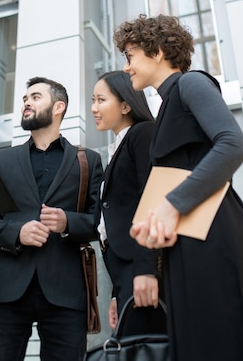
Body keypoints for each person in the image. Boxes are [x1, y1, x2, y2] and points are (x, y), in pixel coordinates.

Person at [113, 13, 243, 361]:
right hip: (190, 238)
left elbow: (232, 144)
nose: (127, 67)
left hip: (215, 234)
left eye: (131, 55)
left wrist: (171, 206)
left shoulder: (190, 84)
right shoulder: (166, 107)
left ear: (158, 51)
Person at [0, 76, 103, 361]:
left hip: (66, 290)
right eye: (24, 99)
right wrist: (17, 234)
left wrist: (66, 222)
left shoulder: (89, 160)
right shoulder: (3, 161)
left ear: (59, 107)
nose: (26, 103)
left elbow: (96, 222)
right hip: (7, 287)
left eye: (35, 97)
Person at [92, 71, 165, 333]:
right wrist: (115, 292)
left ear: (125, 105)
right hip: (124, 269)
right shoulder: (117, 146)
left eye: (101, 100)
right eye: (93, 100)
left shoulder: (143, 133)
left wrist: (147, 270)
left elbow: (153, 198)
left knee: (148, 345)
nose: (93, 108)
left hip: (141, 264)